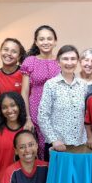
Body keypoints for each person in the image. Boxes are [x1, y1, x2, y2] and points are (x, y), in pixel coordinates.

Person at [38, 45, 88, 157]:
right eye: (65, 59)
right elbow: (42, 115)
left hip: (79, 145)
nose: (69, 63)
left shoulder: (83, 85)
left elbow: (86, 115)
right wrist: (54, 140)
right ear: (58, 62)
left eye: (73, 59)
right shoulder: (51, 85)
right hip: (57, 146)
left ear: (77, 61)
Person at [20, 25, 60, 160]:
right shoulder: (30, 61)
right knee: (40, 150)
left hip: (57, 114)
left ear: (55, 41)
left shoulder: (61, 61)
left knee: (57, 149)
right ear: (36, 42)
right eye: (41, 39)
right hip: (35, 113)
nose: (45, 42)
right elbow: (24, 92)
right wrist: (27, 118)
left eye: (49, 39)